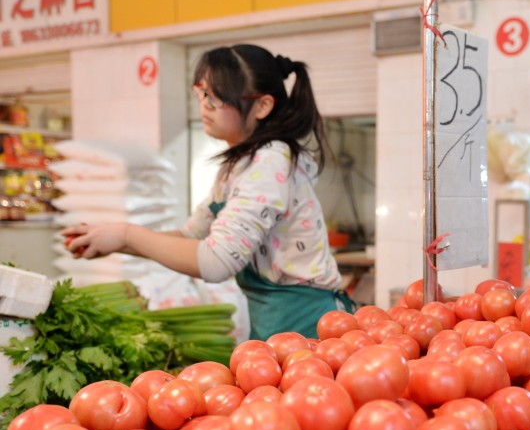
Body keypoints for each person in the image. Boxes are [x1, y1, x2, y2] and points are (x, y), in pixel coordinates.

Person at [63, 44, 354, 341]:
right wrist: (111, 238)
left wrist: (127, 234)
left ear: (263, 106)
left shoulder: (270, 162)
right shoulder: (238, 165)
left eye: (216, 98)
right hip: (276, 320)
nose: (204, 105)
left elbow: (216, 262)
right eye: (201, 93)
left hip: (310, 323)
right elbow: (192, 236)